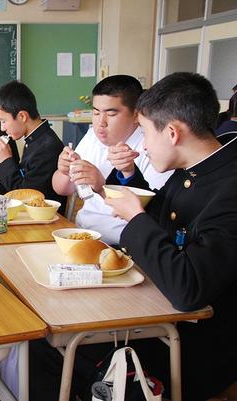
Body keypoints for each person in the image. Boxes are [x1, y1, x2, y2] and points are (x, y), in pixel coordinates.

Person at [105, 72, 237, 400]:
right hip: (156, 315)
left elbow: (188, 289)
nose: (143, 145)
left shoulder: (230, 187)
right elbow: (163, 217)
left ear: (173, 132)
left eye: (146, 133)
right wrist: (129, 178)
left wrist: (135, 218)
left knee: (58, 353)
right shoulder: (192, 169)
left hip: (199, 348)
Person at [52, 75, 171, 245]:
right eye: (95, 112)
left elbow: (149, 213)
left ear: (136, 115)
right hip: (82, 234)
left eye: (111, 114)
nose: (101, 122)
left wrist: (101, 185)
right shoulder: (93, 136)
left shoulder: (150, 146)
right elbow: (62, 189)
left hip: (119, 244)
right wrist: (64, 171)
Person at [0, 80, 65, 207]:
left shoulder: (46, 147)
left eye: (3, 121)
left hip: (42, 216)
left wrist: (5, 160)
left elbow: (28, 197)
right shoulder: (34, 139)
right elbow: (24, 182)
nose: (2, 128)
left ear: (22, 116)